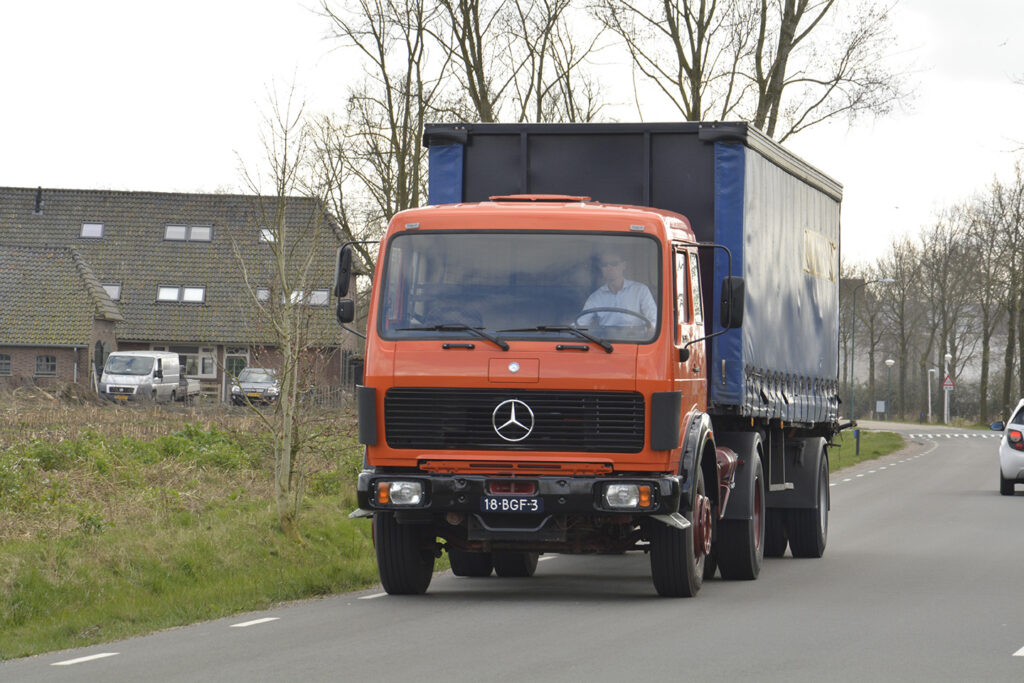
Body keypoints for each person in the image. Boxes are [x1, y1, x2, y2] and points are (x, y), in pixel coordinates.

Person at [578, 250, 656, 329]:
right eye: (604, 265)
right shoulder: (595, 297)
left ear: (624, 265)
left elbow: (654, 319)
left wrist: (650, 330)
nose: (609, 268)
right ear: (601, 269)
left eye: (614, 263)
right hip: (604, 339)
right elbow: (580, 323)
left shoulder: (640, 290)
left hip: (636, 340)